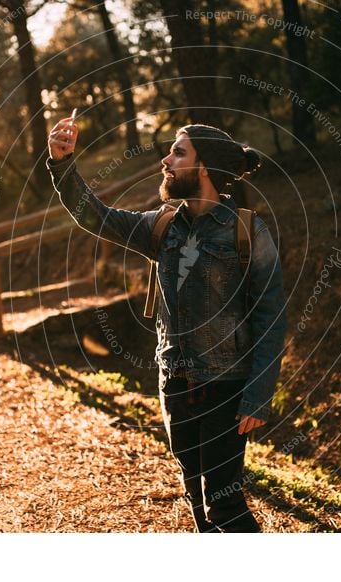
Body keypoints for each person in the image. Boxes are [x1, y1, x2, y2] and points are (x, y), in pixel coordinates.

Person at [47, 115, 287, 533]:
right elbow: (96, 217)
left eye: (178, 152)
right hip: (174, 383)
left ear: (205, 167)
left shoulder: (247, 232)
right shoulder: (161, 227)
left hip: (225, 387)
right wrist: (62, 163)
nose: (166, 160)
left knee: (224, 504)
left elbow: (271, 315)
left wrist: (258, 395)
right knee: (196, 496)